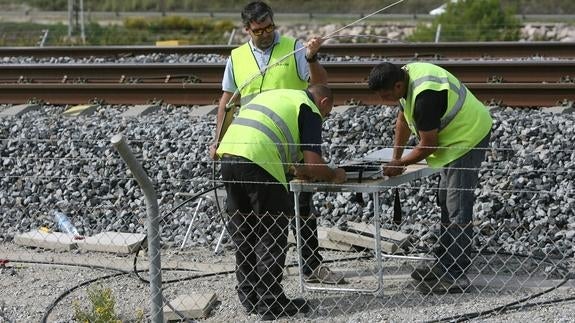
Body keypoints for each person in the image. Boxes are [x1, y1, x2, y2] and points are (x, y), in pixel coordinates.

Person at [210, 1, 345, 285]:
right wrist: (218, 141)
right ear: (247, 29)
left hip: (290, 140)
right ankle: (265, 274)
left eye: (270, 27)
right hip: (255, 145)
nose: (267, 33)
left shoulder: (294, 48)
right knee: (260, 215)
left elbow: (321, 86)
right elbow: (228, 102)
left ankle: (311, 264)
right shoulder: (236, 58)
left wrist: (311, 58)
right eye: (260, 30)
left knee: (302, 203)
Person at [216, 85, 347, 320]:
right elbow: (315, 164)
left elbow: (275, 138)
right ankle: (271, 303)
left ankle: (250, 297)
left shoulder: (276, 96)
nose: (325, 118)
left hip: (229, 155)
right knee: (271, 232)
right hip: (259, 161)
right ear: (325, 102)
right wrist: (334, 174)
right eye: (327, 113)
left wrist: (299, 168)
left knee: (244, 231)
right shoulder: (309, 108)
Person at [367, 62, 492, 294]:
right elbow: (403, 120)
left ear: (397, 85)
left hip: (468, 136)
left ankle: (456, 275)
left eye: (386, 95)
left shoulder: (425, 96)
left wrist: (402, 163)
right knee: (446, 200)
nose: (385, 100)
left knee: (457, 206)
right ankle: (445, 265)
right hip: (455, 138)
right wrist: (396, 157)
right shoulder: (405, 78)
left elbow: (428, 144)